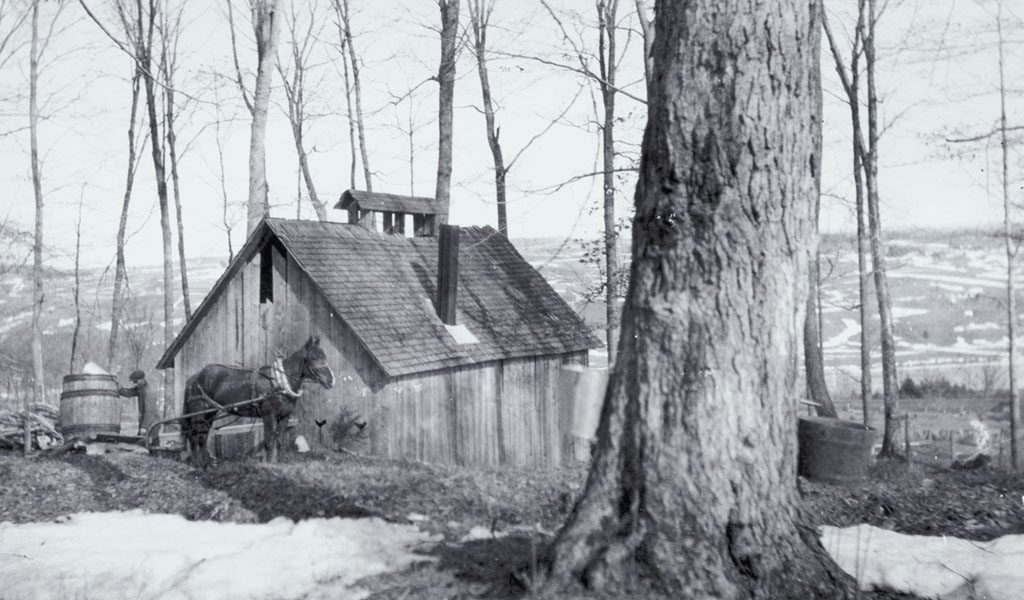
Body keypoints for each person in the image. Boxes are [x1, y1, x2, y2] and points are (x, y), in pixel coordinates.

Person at [119, 370, 159, 436]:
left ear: (142, 380)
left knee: (150, 444)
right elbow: (129, 392)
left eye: (136, 381)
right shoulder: (141, 389)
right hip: (145, 423)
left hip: (152, 425)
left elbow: (150, 412)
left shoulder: (149, 392)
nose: (135, 384)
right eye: (133, 382)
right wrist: (120, 390)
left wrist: (144, 427)